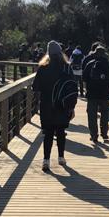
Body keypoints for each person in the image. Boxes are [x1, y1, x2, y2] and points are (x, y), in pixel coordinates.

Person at [32, 41, 74, 171]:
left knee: (48, 133)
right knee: (61, 132)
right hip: (63, 105)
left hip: (47, 105)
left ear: (48, 53)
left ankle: (46, 160)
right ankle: (61, 157)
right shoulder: (67, 67)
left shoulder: (43, 68)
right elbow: (72, 88)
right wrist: (71, 107)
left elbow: (35, 87)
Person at [82, 45, 109, 144]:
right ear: (104, 54)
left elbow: (84, 78)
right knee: (105, 113)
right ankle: (104, 133)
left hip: (92, 94)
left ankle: (94, 135)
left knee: (92, 115)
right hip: (104, 94)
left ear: (95, 54)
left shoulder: (90, 64)